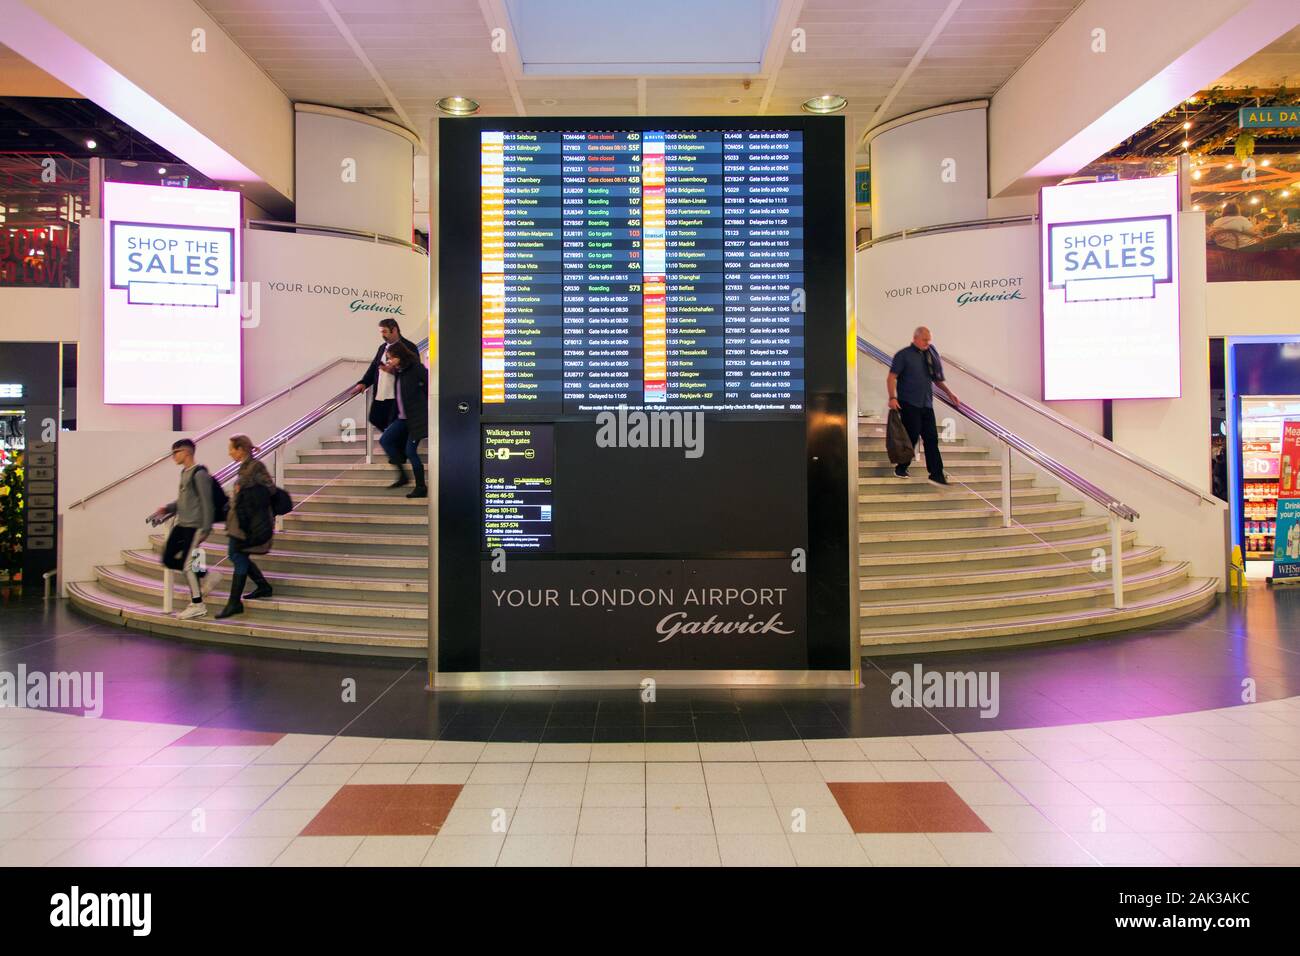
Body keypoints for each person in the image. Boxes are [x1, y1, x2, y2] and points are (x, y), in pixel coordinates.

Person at [149, 438, 223, 620]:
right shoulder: (184, 472)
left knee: (188, 565)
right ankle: (207, 575)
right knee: (168, 559)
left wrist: (205, 529)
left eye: (176, 452)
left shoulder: (200, 474)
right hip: (182, 524)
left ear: (187, 452)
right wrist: (167, 508)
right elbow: (184, 501)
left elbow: (207, 503)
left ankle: (197, 604)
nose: (174, 456)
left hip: (195, 526)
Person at [887, 326, 960, 486]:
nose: (928, 343)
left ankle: (936, 474)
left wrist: (949, 393)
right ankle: (901, 466)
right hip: (909, 403)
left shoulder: (929, 356)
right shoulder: (903, 355)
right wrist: (892, 397)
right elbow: (891, 377)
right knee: (911, 436)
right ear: (915, 338)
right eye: (925, 340)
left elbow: (936, 379)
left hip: (926, 404)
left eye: (929, 340)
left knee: (931, 438)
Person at [215, 434, 276, 619]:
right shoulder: (244, 467)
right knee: (236, 554)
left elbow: (270, 489)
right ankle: (262, 586)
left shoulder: (255, 466)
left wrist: (247, 493)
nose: (229, 453)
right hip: (241, 521)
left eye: (232, 449)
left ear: (241, 449)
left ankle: (234, 603)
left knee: (237, 555)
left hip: (249, 522)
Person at [378, 340, 429, 499]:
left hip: (416, 419)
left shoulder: (416, 369)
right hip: (402, 419)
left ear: (400, 356)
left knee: (410, 451)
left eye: (392, 358)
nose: (390, 361)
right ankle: (403, 476)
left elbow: (429, 386)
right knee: (385, 440)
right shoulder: (400, 371)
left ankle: (421, 487)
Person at [356, 319, 419, 432]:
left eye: (384, 331)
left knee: (393, 428)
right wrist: (363, 383)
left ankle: (395, 442)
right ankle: (392, 441)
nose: (382, 335)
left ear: (394, 330)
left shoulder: (409, 347)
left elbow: (415, 371)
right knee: (374, 418)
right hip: (381, 394)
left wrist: (394, 371)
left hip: (397, 396)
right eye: (381, 332)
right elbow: (373, 368)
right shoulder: (382, 348)